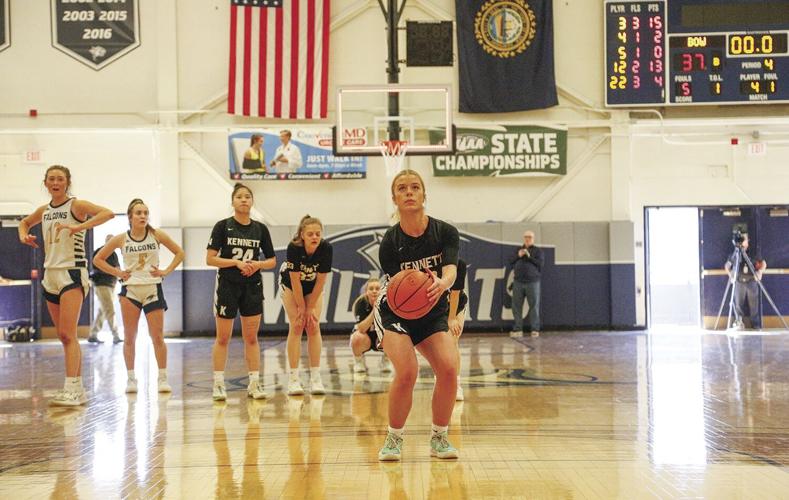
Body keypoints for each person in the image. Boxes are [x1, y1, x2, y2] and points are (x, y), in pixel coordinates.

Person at [376, 168, 460, 461]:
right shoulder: (389, 242)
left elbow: (451, 270)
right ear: (394, 198)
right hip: (396, 311)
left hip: (432, 306)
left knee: (449, 369)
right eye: (402, 188)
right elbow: (399, 290)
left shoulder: (445, 232)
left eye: (415, 187)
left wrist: (442, 283)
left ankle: (439, 436)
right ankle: (394, 437)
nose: (409, 192)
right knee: (408, 372)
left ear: (425, 194)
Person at [18, 165, 114, 406]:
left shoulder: (76, 205)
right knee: (63, 335)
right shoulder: (45, 210)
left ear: (67, 182)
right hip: (50, 274)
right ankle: (77, 389)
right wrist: (23, 235)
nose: (55, 182)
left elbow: (108, 213)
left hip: (72, 272)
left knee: (68, 334)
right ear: (46, 183)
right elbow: (24, 223)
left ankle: (72, 388)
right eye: (51, 179)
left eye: (60, 179)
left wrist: (78, 227)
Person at [94, 199, 185, 394]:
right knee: (129, 338)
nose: (143, 216)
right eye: (138, 213)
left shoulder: (156, 234)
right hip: (130, 291)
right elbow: (97, 259)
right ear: (130, 217)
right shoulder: (120, 239)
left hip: (152, 288)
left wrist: (166, 271)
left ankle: (162, 378)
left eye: (145, 212)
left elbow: (179, 252)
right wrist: (118, 272)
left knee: (157, 337)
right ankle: (131, 379)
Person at [207, 183, 277, 401]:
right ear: (233, 202)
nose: (244, 200)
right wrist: (235, 263)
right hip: (228, 284)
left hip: (252, 286)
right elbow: (210, 259)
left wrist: (257, 265)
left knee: (251, 337)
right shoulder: (222, 226)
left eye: (248, 196)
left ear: (252, 201)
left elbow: (272, 261)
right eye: (239, 197)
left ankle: (254, 383)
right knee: (223, 337)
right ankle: (218, 384)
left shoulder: (260, 229)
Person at [280, 215, 332, 396]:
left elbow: (321, 282)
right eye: (310, 234)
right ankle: (294, 379)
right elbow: (295, 282)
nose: (315, 237)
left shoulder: (326, 248)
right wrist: (302, 307)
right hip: (291, 285)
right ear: (302, 235)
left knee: (313, 325)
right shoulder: (294, 248)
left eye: (318, 234)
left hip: (313, 287)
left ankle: (315, 378)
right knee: (296, 325)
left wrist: (310, 308)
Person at [349, 277, 392, 374]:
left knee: (392, 336)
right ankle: (359, 361)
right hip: (365, 337)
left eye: (377, 289)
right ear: (366, 291)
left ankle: (386, 360)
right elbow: (361, 328)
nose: (374, 291)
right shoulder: (360, 303)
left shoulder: (388, 303)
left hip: (380, 338)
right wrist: (375, 310)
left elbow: (390, 327)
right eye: (371, 289)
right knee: (357, 338)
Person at [725, 233, 766, 330]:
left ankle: (755, 325)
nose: (745, 241)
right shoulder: (735, 254)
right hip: (739, 282)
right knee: (738, 305)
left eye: (745, 239)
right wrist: (731, 276)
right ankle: (739, 323)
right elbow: (727, 266)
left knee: (754, 305)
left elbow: (763, 263)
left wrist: (760, 272)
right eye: (743, 239)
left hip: (751, 282)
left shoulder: (753, 253)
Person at [510, 230, 544, 338]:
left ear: (533, 239)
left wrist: (529, 256)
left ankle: (534, 329)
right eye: (526, 237)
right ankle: (518, 329)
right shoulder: (518, 250)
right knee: (516, 306)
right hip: (518, 282)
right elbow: (510, 261)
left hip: (532, 282)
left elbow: (540, 264)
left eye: (530, 237)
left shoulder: (538, 251)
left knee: (534, 306)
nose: (527, 239)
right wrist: (518, 255)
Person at [88, 234, 121, 344]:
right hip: (102, 284)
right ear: (106, 241)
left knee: (103, 310)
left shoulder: (114, 254)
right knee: (110, 310)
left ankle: (93, 334)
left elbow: (117, 269)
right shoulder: (99, 252)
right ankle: (116, 335)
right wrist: (113, 271)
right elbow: (96, 267)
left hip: (111, 285)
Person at [448, 258, 468, 401]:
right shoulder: (427, 260)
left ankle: (456, 385)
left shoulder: (459, 264)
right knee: (438, 346)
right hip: (434, 305)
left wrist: (452, 318)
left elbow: (455, 293)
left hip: (456, 304)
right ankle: (441, 379)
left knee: (452, 341)